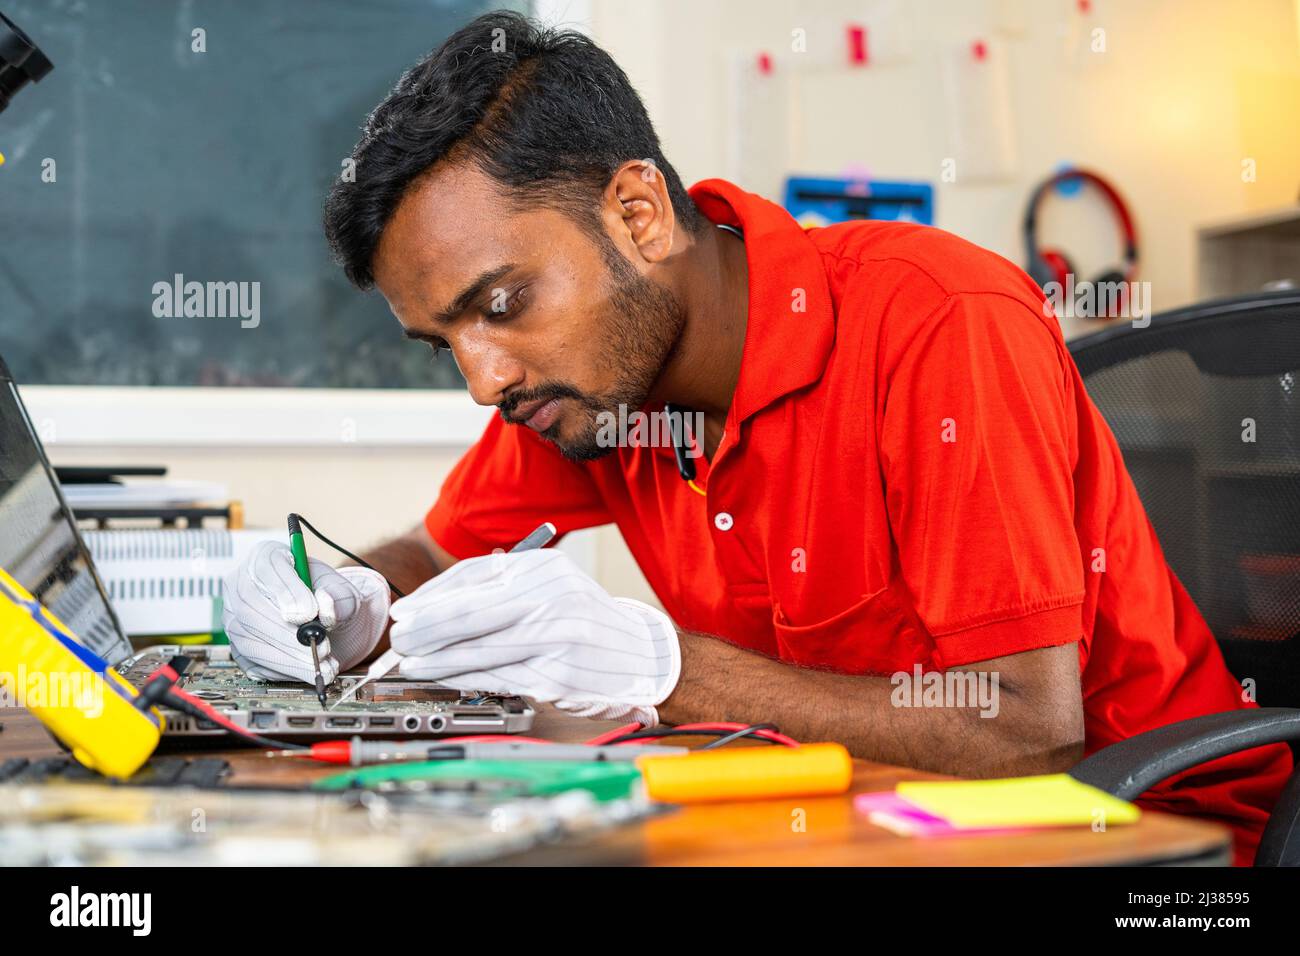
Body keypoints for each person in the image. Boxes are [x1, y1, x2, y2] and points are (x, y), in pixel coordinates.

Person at [221, 11, 1292, 864]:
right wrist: (341, 597)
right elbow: (433, 550)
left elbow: (1026, 732)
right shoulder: (586, 395)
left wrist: (662, 666)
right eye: (440, 341)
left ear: (637, 215)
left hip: (1135, 838)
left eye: (499, 303)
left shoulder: (936, 323)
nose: (481, 377)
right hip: (853, 813)